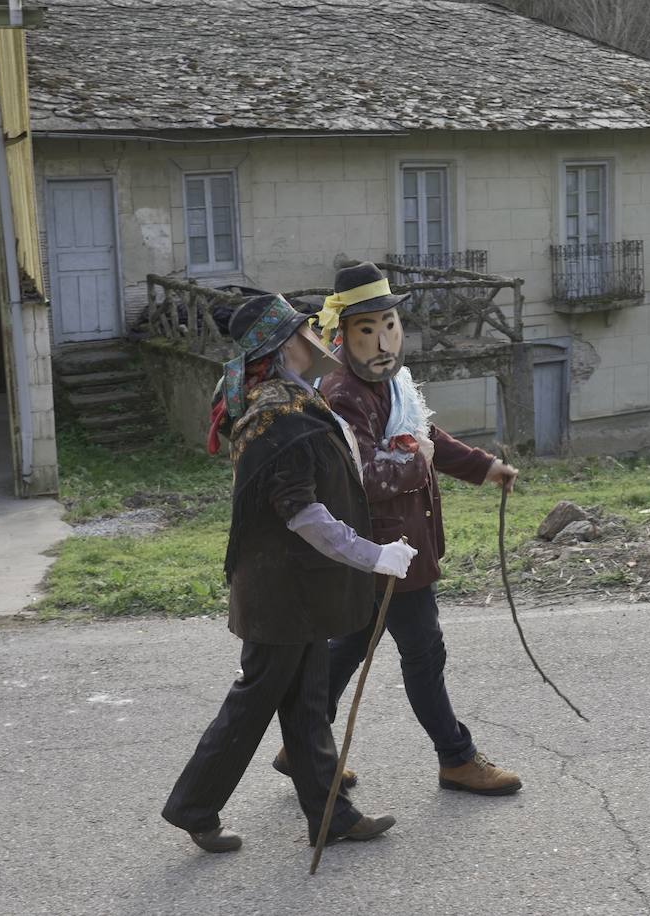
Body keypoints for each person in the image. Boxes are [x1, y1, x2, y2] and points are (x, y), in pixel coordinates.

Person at [161, 293, 418, 853]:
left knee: (304, 701)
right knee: (254, 702)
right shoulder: (275, 413)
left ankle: (331, 815)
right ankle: (193, 806)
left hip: (295, 588)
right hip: (279, 591)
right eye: (308, 329)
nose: (319, 336)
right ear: (288, 343)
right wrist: (372, 555)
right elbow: (301, 511)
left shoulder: (292, 399)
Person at [304, 261, 524, 796]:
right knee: (423, 651)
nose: (383, 341)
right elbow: (360, 477)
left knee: (351, 644)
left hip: (396, 549)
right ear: (342, 334)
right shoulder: (341, 395)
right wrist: (419, 461)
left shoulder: (392, 383)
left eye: (391, 326)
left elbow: (423, 434)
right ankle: (456, 757)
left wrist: (482, 465)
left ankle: (303, 741)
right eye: (368, 330)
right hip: (384, 551)